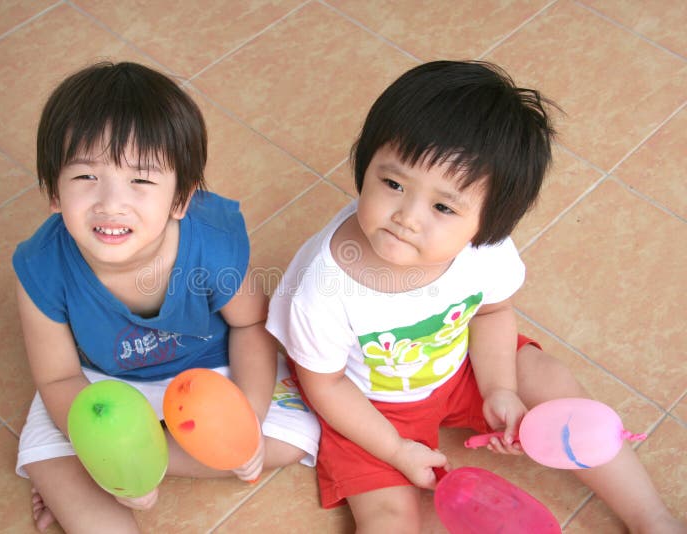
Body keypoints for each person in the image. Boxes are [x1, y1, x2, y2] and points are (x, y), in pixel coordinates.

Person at [266, 61, 685, 533]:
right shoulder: (323, 288)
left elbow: (492, 312)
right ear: (365, 165)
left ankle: (652, 518)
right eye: (393, 184)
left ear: (488, 222)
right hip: (368, 404)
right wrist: (395, 449)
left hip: (460, 364)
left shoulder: (483, 252)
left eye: (443, 206)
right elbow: (327, 385)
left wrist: (499, 388)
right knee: (390, 517)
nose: (407, 216)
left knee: (549, 379)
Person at [13, 61, 319, 533]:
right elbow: (58, 380)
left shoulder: (211, 244)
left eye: (141, 180)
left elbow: (250, 324)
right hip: (102, 385)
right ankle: (99, 476)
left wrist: (245, 418)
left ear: (182, 199)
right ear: (54, 190)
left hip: (209, 374)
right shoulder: (41, 266)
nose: (110, 203)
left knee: (289, 440)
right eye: (85, 177)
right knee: (50, 458)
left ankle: (131, 467)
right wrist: (111, 453)